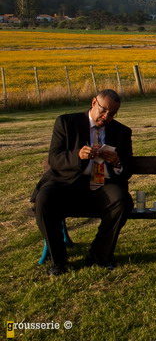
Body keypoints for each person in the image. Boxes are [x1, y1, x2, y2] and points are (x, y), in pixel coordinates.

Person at [32, 89, 133, 276]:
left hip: (102, 185)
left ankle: (99, 255)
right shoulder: (66, 122)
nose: (106, 117)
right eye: (103, 111)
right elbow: (54, 158)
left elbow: (127, 169)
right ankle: (58, 261)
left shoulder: (122, 131)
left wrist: (116, 162)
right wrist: (77, 155)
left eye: (112, 114)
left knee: (122, 200)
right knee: (44, 199)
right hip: (67, 183)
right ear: (94, 102)